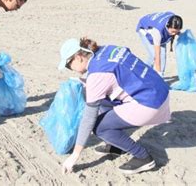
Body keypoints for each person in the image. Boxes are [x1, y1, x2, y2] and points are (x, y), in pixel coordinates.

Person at [58, 37, 170, 175]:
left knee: (99, 127)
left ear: (79, 57)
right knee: (100, 99)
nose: (70, 69)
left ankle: (143, 157)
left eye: (69, 65)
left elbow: (88, 118)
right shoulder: (108, 49)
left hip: (151, 105)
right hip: (160, 90)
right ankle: (117, 145)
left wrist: (74, 156)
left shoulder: (97, 75)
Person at [136, 11, 183, 76]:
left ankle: (161, 76)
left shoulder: (174, 20)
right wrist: (158, 72)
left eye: (176, 32)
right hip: (144, 28)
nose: (174, 34)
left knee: (163, 54)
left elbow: (176, 30)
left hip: (159, 29)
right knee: (153, 56)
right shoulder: (157, 32)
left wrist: (182, 35)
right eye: (173, 32)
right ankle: (143, 74)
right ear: (167, 26)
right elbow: (157, 54)